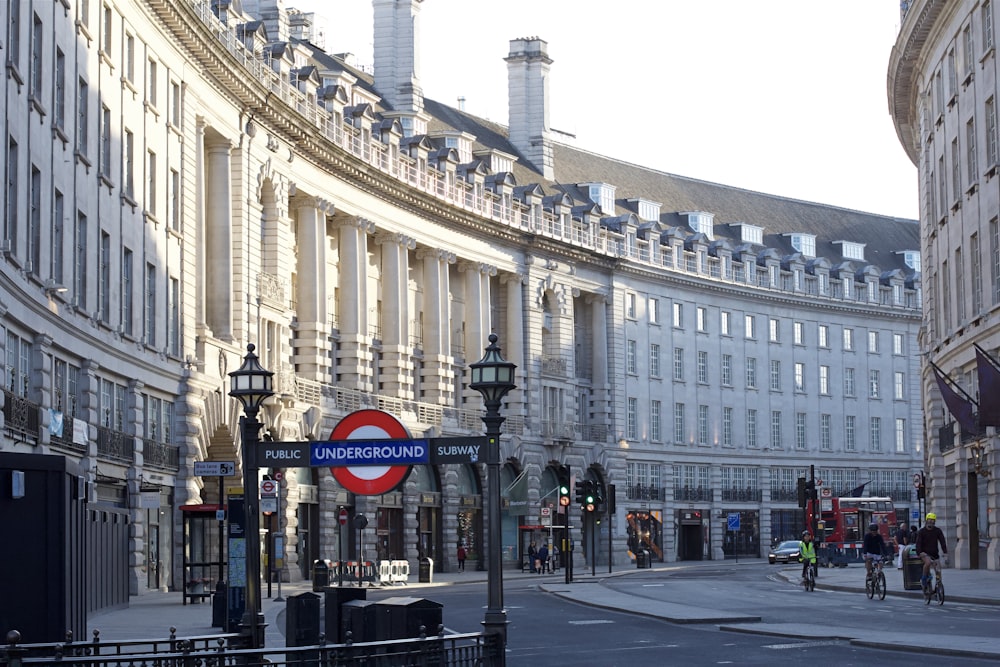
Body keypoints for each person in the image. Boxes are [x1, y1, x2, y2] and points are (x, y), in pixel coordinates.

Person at [915, 512, 948, 588]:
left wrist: (945, 553)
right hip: (924, 553)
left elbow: (942, 542)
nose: (931, 523)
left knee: (938, 571)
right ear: (926, 521)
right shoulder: (921, 532)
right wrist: (920, 552)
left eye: (932, 521)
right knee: (928, 562)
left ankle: (938, 587)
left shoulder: (937, 531)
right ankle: (923, 578)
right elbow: (918, 543)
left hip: (934, 553)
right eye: (929, 521)